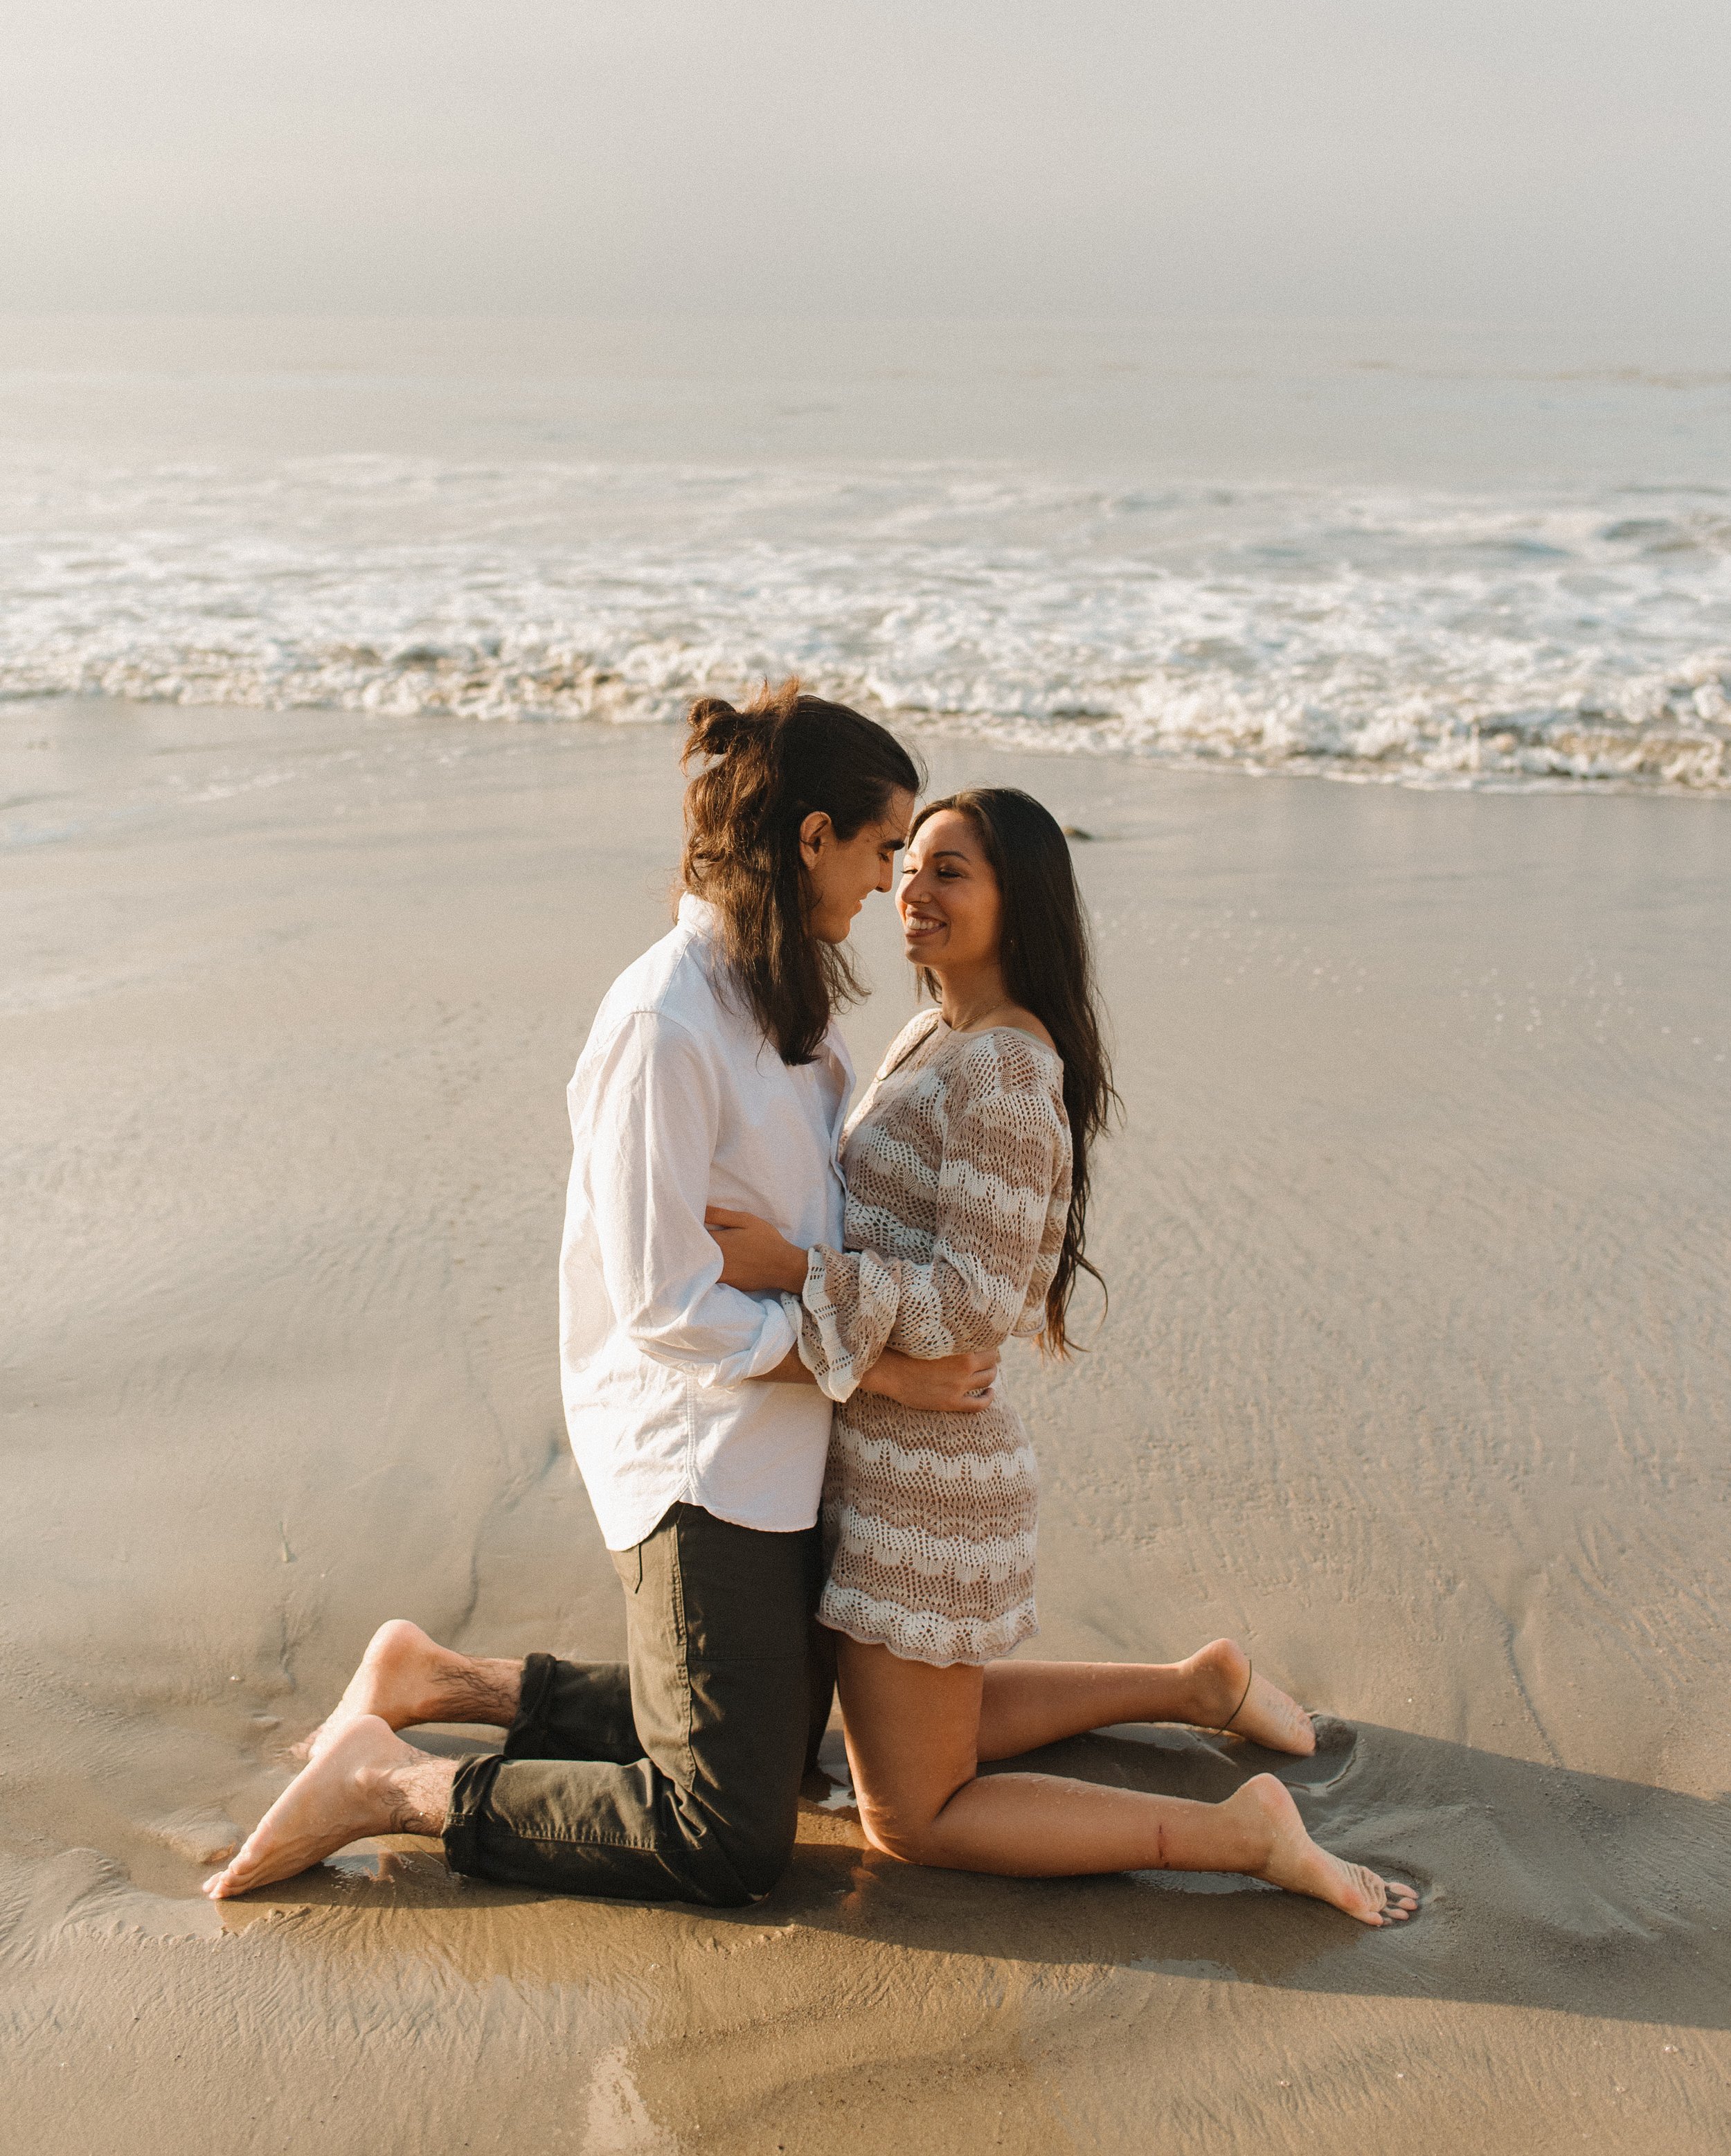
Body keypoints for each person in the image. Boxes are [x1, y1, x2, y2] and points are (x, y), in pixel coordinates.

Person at [205, 684, 1000, 1904]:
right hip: (698, 1450)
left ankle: (437, 1679)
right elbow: (669, 1307)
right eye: (885, 846)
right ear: (811, 837)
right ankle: (388, 1785)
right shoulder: (663, 1018)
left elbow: (798, 1231)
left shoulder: (789, 1010)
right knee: (727, 1835)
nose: (893, 881)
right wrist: (880, 1365)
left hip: (784, 1435)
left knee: (778, 1756)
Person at [703, 787, 1417, 1926]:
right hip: (895, 1452)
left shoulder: (1006, 1073)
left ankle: (1243, 1834)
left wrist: (793, 1266)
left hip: (929, 1483)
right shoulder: (939, 1032)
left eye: (951, 872)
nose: (912, 890)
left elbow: (977, 1304)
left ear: (1017, 900)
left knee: (916, 1813)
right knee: (936, 1713)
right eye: (910, 866)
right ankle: (1198, 1685)